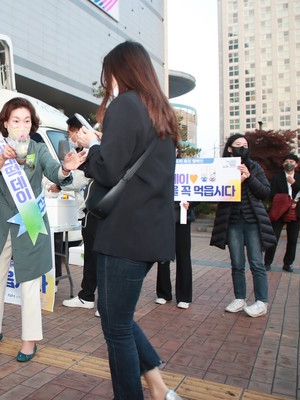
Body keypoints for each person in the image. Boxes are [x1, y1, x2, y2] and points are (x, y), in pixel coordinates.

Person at [76, 41, 182, 400]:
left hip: (123, 234)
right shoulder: (160, 112)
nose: (109, 83)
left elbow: (107, 168)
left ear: (121, 71)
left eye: (110, 75)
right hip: (151, 233)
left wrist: (92, 146)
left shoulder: (125, 105)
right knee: (114, 313)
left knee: (116, 325)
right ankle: (158, 386)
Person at [0, 97, 86, 362]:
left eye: (26, 121)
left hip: (30, 217)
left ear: (32, 124)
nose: (21, 126)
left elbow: (55, 170)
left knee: (31, 281)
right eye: (15, 121)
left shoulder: (37, 148)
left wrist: (66, 168)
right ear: (5, 123)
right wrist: (1, 159)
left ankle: (29, 339)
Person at [210, 134, 276, 318]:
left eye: (245, 145)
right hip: (232, 222)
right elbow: (216, 193)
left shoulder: (254, 167)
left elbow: (264, 193)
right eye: (238, 145)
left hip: (253, 222)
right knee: (237, 263)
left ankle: (261, 302)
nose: (242, 148)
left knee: (256, 262)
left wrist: (249, 177)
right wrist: (234, 182)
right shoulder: (221, 167)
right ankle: (240, 298)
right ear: (230, 148)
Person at [59, 116, 100, 315]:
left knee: (97, 257)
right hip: (91, 212)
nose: (71, 138)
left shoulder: (93, 150)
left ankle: (91, 297)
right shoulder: (88, 150)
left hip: (96, 212)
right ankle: (87, 296)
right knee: (93, 257)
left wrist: (59, 182)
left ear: (79, 131)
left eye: (70, 133)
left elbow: (80, 179)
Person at [264, 153, 300, 272]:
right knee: (274, 238)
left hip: (295, 211)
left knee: (292, 239)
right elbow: (272, 194)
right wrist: (287, 201)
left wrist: (293, 183)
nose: (289, 164)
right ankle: (267, 262)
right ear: (283, 164)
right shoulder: (277, 177)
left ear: (296, 164)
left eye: (292, 162)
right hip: (280, 211)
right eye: (287, 161)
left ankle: (288, 263)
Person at [155, 201, 194, 309]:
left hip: (183, 216)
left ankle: (184, 297)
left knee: (183, 256)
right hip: (164, 215)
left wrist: (191, 203)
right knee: (163, 255)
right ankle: (163, 293)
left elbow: (198, 191)